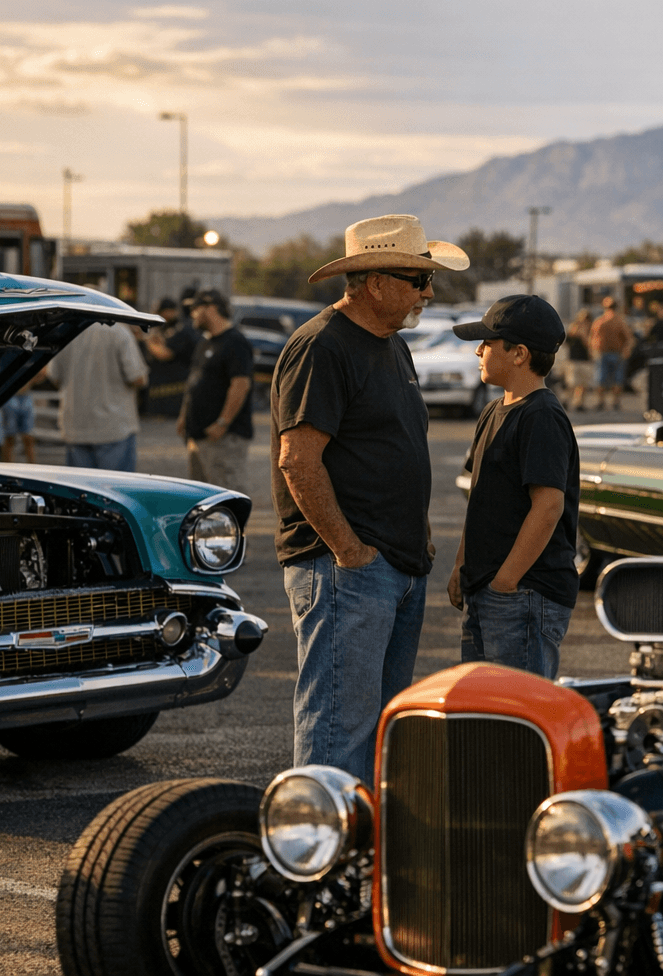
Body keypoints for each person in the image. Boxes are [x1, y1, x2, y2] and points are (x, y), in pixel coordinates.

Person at [272, 213, 468, 784]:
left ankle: (364, 853)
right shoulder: (322, 346)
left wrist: (417, 536)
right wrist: (350, 550)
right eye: (417, 280)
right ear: (376, 282)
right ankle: (321, 856)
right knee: (339, 727)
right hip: (348, 570)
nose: (428, 293)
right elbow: (298, 461)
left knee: (383, 724)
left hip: (394, 566)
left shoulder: (392, 346)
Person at [447, 295, 580, 679]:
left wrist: (506, 583)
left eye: (487, 343)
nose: (478, 350)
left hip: (522, 595)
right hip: (486, 589)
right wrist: (461, 564)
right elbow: (481, 500)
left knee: (514, 721)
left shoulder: (541, 417)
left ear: (519, 353)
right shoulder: (493, 410)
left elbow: (548, 506)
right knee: (483, 716)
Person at [179, 290, 255, 496]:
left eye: (196, 308)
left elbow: (240, 385)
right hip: (198, 436)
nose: (192, 313)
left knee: (225, 496)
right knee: (200, 500)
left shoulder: (235, 342)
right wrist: (184, 417)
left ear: (211, 308)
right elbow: (194, 382)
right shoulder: (204, 342)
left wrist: (223, 422)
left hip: (223, 439)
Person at [47, 320, 149, 471]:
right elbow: (137, 378)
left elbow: (54, 376)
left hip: (75, 426)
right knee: (115, 489)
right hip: (114, 426)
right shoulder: (119, 332)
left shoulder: (66, 332)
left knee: (82, 489)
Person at [590, 296, 633, 408]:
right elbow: (593, 338)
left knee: (608, 379)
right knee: (606, 379)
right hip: (607, 353)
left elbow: (629, 339)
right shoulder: (617, 321)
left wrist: (625, 351)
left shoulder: (603, 321)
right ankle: (608, 402)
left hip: (612, 353)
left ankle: (610, 402)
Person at [563, 308, 594, 411]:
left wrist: (584, 335)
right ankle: (566, 400)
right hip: (573, 360)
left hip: (585, 359)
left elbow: (590, 345)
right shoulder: (573, 328)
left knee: (583, 384)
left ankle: (579, 403)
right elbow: (566, 343)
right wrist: (574, 333)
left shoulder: (590, 330)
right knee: (571, 383)